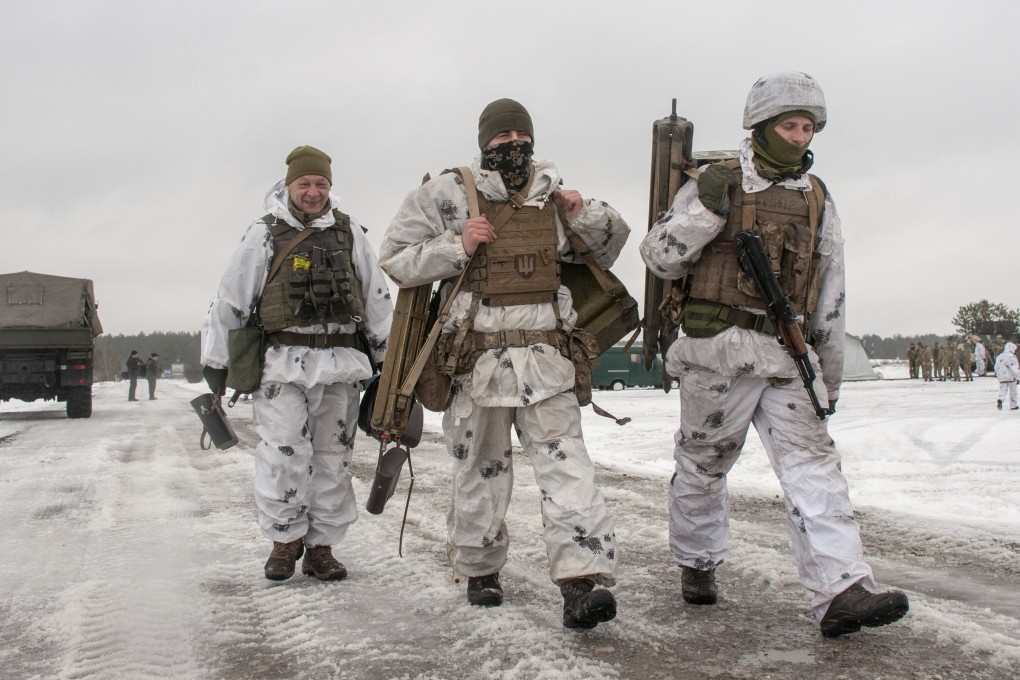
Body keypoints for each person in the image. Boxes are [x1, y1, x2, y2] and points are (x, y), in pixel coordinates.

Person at [639, 72, 908, 638]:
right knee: (704, 464)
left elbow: (830, 291)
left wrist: (827, 375)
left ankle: (841, 588)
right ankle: (697, 560)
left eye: (808, 126)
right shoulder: (716, 183)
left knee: (815, 467)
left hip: (787, 354)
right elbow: (660, 258)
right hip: (718, 351)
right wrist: (705, 213)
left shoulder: (817, 198)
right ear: (761, 126)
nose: (799, 135)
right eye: (789, 124)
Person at [379, 98, 628, 630]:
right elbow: (396, 258)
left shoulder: (553, 194)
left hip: (548, 364)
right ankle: (480, 570)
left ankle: (581, 583)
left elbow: (609, 250)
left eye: (521, 133)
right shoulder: (447, 194)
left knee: (569, 471)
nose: (512, 144)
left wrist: (587, 215)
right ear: (484, 141)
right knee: (480, 472)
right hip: (476, 364)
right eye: (501, 136)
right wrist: (455, 244)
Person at [200, 145, 393, 582]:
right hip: (282, 363)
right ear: (289, 185)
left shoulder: (349, 233)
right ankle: (284, 541)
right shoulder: (264, 234)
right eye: (305, 183)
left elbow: (378, 299)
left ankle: (322, 547)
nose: (313, 192)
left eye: (321, 183)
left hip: (341, 362)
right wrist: (215, 366)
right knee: (283, 451)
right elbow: (230, 299)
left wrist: (386, 364)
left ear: (330, 187)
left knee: (334, 456)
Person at [994, 341, 1019, 410]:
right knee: (1013, 391)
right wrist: (1018, 378)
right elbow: (1014, 369)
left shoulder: (999, 356)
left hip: (1001, 377)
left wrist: (998, 375)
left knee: (1002, 390)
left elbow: (996, 367)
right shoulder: (1012, 356)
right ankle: (1013, 406)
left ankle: (1000, 399)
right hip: (1011, 377)